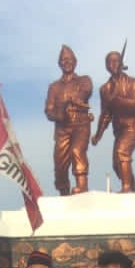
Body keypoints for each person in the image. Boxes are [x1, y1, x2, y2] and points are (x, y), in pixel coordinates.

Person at [91, 50, 135, 193]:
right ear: (106, 66)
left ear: (121, 63)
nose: (113, 64)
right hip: (119, 130)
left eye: (116, 61)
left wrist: (116, 100)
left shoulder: (134, 83)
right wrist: (98, 135)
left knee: (121, 152)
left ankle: (126, 189)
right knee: (116, 164)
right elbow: (106, 115)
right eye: (109, 62)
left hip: (134, 127)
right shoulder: (104, 89)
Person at [44, 44, 93, 196]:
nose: (67, 62)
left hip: (80, 123)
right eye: (63, 60)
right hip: (62, 127)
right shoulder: (54, 87)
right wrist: (58, 114)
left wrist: (73, 100)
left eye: (69, 59)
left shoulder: (84, 80)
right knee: (60, 163)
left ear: (75, 62)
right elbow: (49, 109)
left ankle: (82, 186)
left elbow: (85, 92)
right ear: (59, 63)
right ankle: (63, 191)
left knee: (77, 150)